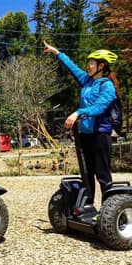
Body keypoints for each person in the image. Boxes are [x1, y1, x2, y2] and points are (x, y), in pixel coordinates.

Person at [44, 41, 120, 203]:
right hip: (85, 135)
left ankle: (109, 210)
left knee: (102, 174)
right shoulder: (87, 81)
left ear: (101, 66)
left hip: (100, 134)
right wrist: (57, 52)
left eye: (91, 63)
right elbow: (72, 67)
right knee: (87, 173)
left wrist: (78, 112)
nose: (88, 66)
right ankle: (88, 207)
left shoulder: (107, 86)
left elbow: (99, 107)